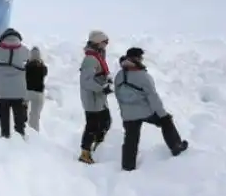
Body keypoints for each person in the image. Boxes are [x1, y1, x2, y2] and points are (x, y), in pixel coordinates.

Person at [114, 47, 189, 171]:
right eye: (141, 57)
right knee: (166, 122)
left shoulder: (119, 75)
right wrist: (163, 115)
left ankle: (128, 166)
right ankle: (176, 146)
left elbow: (118, 94)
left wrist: (124, 112)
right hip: (145, 111)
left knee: (130, 139)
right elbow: (153, 98)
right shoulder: (143, 76)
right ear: (137, 58)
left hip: (128, 114)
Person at [78, 30, 113, 164]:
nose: (106, 45)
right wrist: (102, 88)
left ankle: (97, 148)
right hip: (92, 99)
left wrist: (107, 81)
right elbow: (86, 81)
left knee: (105, 122)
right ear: (98, 42)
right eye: (104, 42)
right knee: (93, 125)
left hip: (99, 98)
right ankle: (85, 153)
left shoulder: (97, 57)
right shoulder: (90, 59)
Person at [0, 28, 29, 138]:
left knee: (4, 112)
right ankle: (20, 133)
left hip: (2, 88)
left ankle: (5, 134)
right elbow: (29, 58)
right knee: (18, 112)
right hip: (18, 88)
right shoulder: (24, 50)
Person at [24, 46, 48, 132]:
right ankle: (34, 132)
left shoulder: (27, 66)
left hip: (27, 92)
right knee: (35, 116)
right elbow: (45, 73)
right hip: (39, 93)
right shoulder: (43, 67)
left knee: (23, 112)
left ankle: (23, 129)